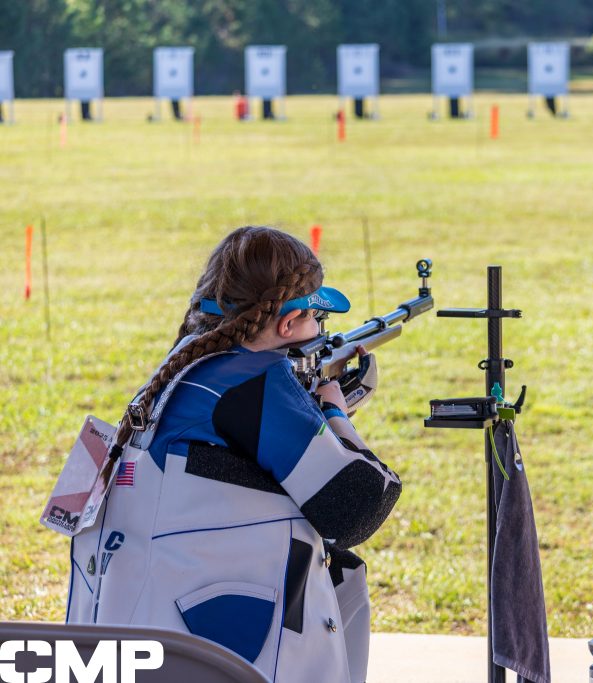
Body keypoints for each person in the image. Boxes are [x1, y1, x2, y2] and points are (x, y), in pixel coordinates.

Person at [64, 226, 399, 683]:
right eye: (315, 322)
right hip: (223, 656)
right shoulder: (256, 382)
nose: (322, 333)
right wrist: (336, 416)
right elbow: (358, 506)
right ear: (287, 324)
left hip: (149, 637)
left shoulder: (182, 366)